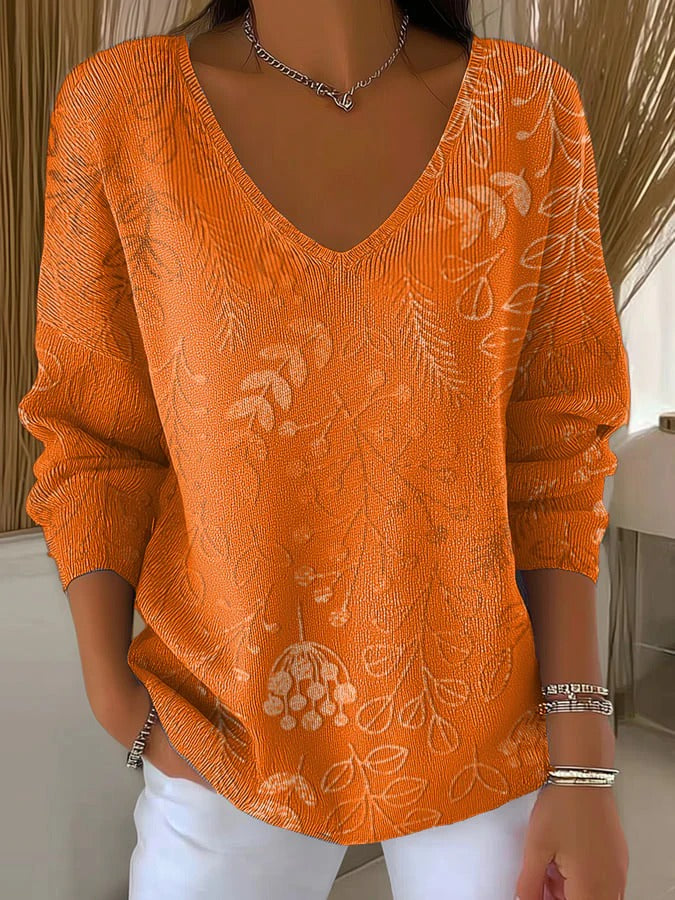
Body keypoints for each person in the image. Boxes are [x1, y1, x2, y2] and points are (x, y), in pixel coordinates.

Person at [17, 1, 631, 898]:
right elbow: (94, 437)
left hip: (484, 734)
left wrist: (581, 766)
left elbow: (554, 453)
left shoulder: (526, 109)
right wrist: (117, 698)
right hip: (220, 732)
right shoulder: (121, 111)